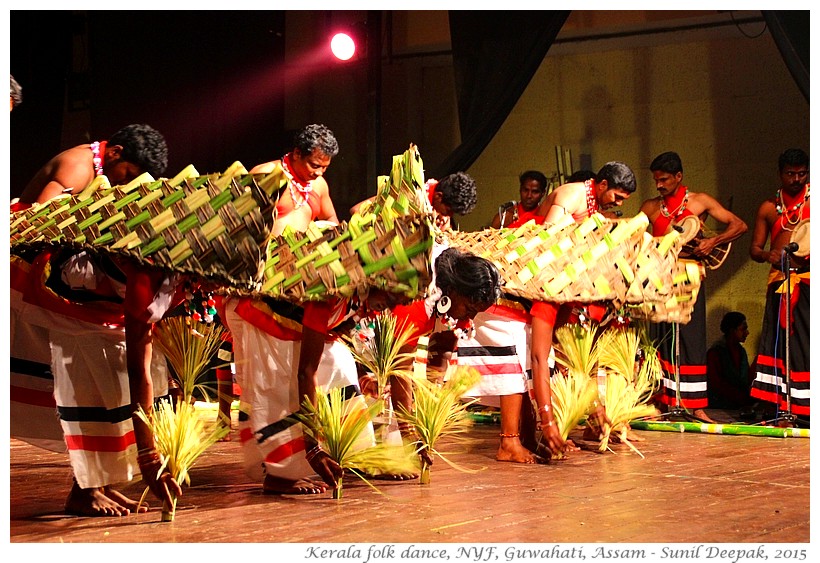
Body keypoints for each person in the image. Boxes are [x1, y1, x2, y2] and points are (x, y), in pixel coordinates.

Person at [9, 247, 184, 516]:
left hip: (99, 312)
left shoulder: (172, 270)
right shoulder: (148, 272)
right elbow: (138, 370)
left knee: (115, 381)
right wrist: (148, 457)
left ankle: (98, 481)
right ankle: (85, 489)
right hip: (58, 302)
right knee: (105, 383)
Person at [530, 161, 637, 447]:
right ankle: (548, 428)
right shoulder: (572, 196)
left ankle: (587, 420)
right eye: (616, 196)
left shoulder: (596, 209)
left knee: (571, 360)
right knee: (543, 357)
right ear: (602, 185)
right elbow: (547, 242)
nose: (617, 203)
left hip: (567, 287)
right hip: (542, 280)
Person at [639, 151, 748, 423]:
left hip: (689, 275)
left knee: (691, 338)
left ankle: (696, 406)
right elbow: (632, 235)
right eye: (656, 180)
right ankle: (663, 404)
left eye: (664, 179)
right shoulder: (651, 207)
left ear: (679, 176)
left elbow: (739, 225)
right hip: (661, 277)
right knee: (662, 339)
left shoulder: (700, 201)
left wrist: (714, 241)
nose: (660, 185)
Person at [748, 148, 810, 421]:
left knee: (806, 345)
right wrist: (767, 254)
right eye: (791, 174)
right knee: (779, 344)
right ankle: (782, 407)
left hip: (808, 281)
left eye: (802, 173)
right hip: (779, 282)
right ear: (780, 174)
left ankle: (807, 407)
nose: (796, 179)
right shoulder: (768, 208)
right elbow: (755, 249)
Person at [17, 123, 168, 205]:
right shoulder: (80, 167)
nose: (126, 183)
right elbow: (40, 217)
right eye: (128, 175)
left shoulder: (95, 161)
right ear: (115, 152)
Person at [250, 123, 340, 237]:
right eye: (315, 165)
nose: (319, 173)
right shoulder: (266, 174)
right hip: (266, 253)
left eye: (325, 167)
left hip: (307, 253)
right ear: (297, 154)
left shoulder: (319, 184)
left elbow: (330, 218)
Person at [351, 171, 477, 231]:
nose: (448, 217)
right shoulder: (406, 196)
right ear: (438, 196)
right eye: (448, 211)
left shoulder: (440, 215)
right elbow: (356, 210)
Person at [706, 312, 752, 411]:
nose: (747, 333)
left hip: (740, 406)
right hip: (719, 408)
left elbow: (746, 378)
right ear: (732, 330)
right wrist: (740, 397)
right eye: (743, 329)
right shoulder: (715, 352)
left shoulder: (741, 352)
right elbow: (716, 384)